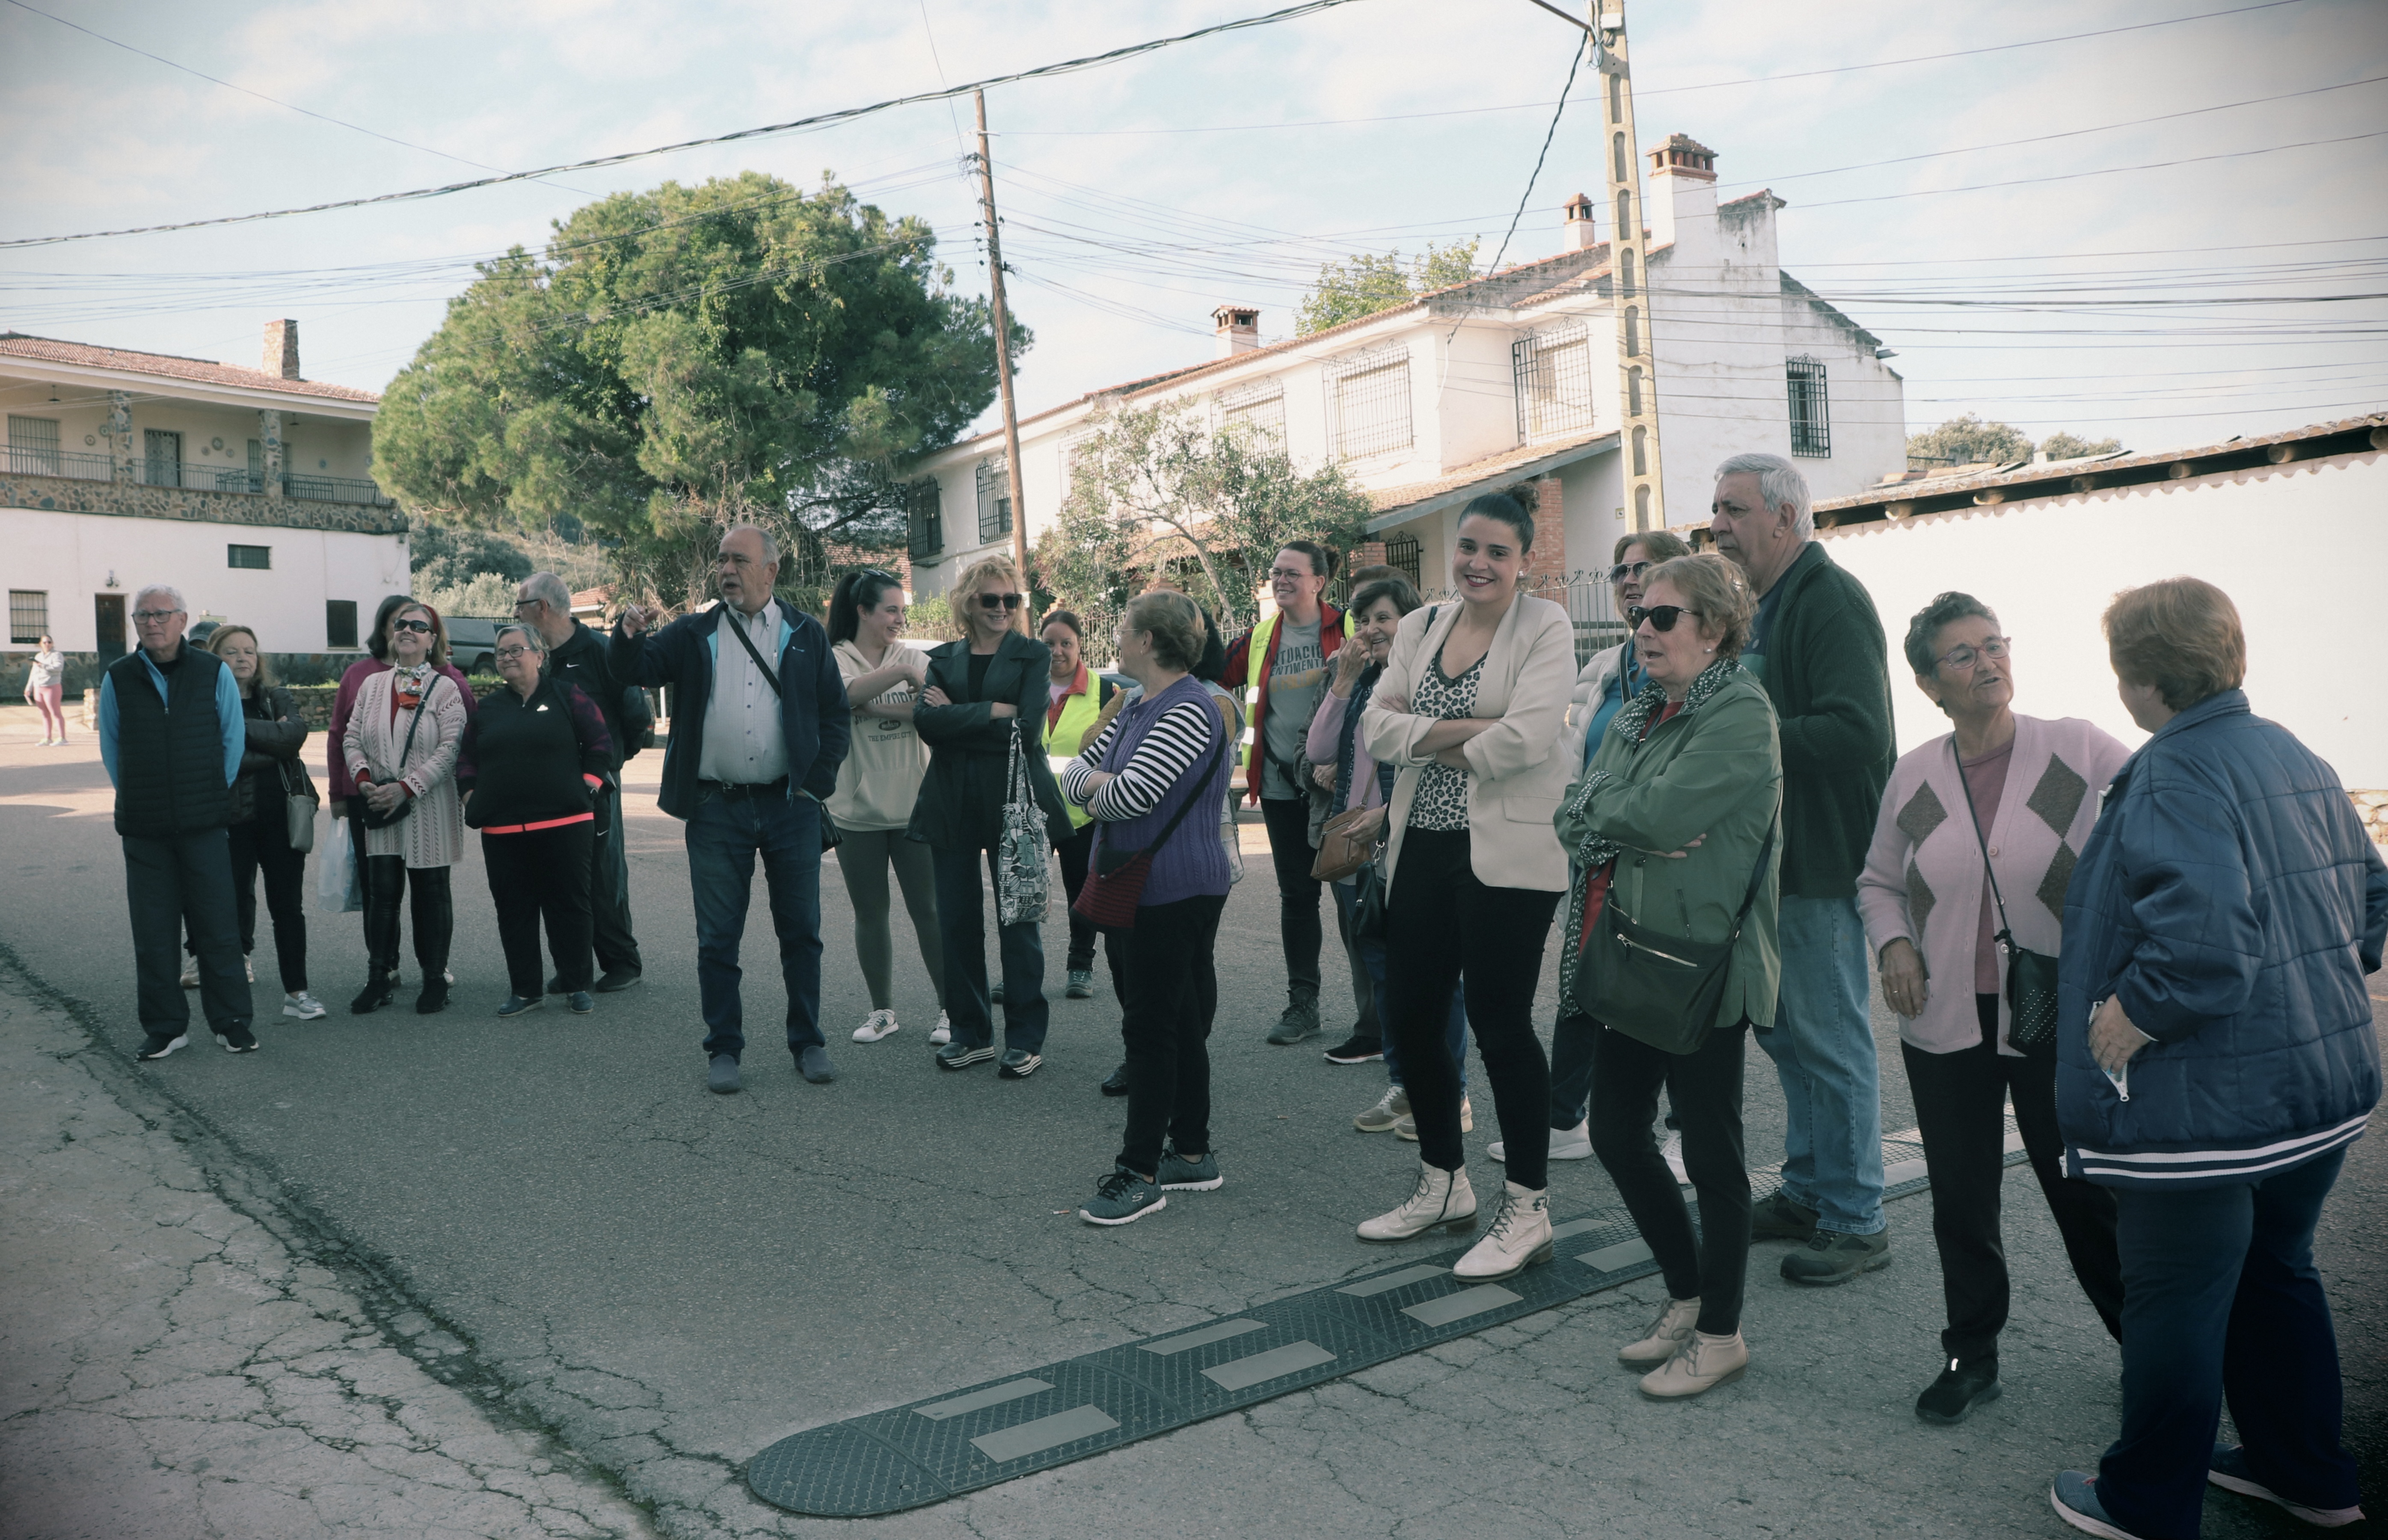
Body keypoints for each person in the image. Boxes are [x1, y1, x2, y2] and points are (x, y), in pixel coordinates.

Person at [2048, 578, 2383, 1540]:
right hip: (2318, 1095)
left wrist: (2134, 1016)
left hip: (2205, 1114)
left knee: (2175, 1305)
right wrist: (2307, 982)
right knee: (2278, 1273)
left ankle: (2148, 1502)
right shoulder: (2295, 750)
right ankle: (2306, 1473)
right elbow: (2371, 898)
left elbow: (2200, 944)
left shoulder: (2174, 769)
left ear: (2135, 675)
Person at [1857, 592, 2128, 1426]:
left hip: (2056, 1013)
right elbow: (1876, 881)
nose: (1988, 663)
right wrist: (1894, 945)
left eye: (1994, 644)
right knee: (1961, 1200)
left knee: (2084, 1191)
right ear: (1928, 683)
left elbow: (2157, 822)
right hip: (1946, 1020)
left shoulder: (2074, 749)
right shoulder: (1917, 772)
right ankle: (1969, 1355)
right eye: (1963, 655)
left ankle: (2151, 1348)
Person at [1560, 551, 1780, 1399]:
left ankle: (1721, 1333)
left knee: (1713, 1152)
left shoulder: (1739, 715)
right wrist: (1615, 817)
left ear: (1713, 631)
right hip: (1635, 947)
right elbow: (1575, 811)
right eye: (1640, 616)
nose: (1642, 629)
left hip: (1704, 962)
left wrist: (1615, 815)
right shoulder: (1642, 709)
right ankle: (1687, 1295)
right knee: (1617, 1132)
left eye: (1663, 617)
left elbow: (1653, 814)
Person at [1355, 492, 1575, 1283]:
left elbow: (1531, 740)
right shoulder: (1419, 627)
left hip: (1509, 856)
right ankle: (1444, 1183)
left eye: (1498, 553)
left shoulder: (1546, 625)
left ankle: (1528, 1208)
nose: (1479, 565)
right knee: (1412, 1017)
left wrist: (1424, 738)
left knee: (1500, 1022)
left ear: (1524, 560)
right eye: (1469, 549)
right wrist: (1468, 735)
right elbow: (1375, 727)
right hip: (1422, 845)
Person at [1709, 451, 1899, 1285]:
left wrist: (1743, 737)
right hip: (1770, 864)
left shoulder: (1831, 599)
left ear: (1786, 518)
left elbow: (1860, 732)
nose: (1718, 525)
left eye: (1734, 510)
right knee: (1789, 1041)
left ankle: (1856, 1219)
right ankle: (1807, 1190)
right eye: (1715, 509)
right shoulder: (1765, 603)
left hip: (1821, 862)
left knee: (1831, 1044)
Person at [610, 524, 850, 1095]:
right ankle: (724, 1047)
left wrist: (815, 786)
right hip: (716, 807)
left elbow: (834, 716)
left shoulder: (803, 633)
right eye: (721, 560)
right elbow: (633, 671)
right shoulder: (694, 633)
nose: (726, 570)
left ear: (770, 570)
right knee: (718, 938)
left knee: (802, 933)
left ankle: (808, 1041)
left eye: (738, 561)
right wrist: (625, 635)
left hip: (790, 806)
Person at [1063, 591, 1238, 1225]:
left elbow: (1125, 796)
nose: (1118, 636)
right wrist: (1099, 784)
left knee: (1150, 1028)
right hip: (1151, 884)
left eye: (1126, 627)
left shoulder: (1189, 709)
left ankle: (1140, 1172)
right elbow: (1077, 772)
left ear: (1148, 641)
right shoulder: (1141, 703)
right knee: (1180, 1021)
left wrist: (1098, 786)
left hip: (1174, 889)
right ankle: (1191, 1152)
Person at [1534, 528, 1694, 1170]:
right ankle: (1564, 1118)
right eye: (1620, 571)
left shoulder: (1693, 667)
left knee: (1665, 993)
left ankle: (1686, 1131)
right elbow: (1576, 752)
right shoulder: (1606, 664)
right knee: (1581, 983)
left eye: (1644, 568)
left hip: (1660, 857)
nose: (1629, 579)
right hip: (1597, 850)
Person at [1306, 575, 1472, 1137]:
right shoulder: (1361, 683)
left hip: (1413, 847)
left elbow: (1443, 765)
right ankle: (1406, 1087)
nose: (1371, 629)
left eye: (1383, 617)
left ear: (1413, 619)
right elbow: (1318, 751)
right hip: (1359, 853)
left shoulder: (1430, 681)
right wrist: (1342, 683)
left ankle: (1451, 1095)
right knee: (1389, 981)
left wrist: (1393, 818)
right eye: (1363, 620)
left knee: (1435, 978)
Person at [911, 556, 1072, 1080]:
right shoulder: (943, 658)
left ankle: (1025, 1039)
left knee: (1018, 920)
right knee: (956, 923)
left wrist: (960, 712)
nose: (1002, 609)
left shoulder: (1032, 655)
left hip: (1015, 800)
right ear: (968, 604)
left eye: (1011, 600)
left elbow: (1025, 729)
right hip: (950, 800)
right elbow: (926, 726)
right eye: (991, 600)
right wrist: (991, 710)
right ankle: (970, 1033)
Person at [100, 586, 256, 1059]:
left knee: (218, 928)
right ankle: (167, 1027)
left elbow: (232, 740)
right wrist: (141, 798)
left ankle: (232, 1023)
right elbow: (113, 749)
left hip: (204, 824)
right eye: (143, 615)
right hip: (145, 830)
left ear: (183, 620)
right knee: (153, 933)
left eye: (161, 615)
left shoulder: (212, 672)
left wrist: (205, 794)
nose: (152, 623)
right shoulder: (119, 677)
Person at [1222, 539, 1352, 1046]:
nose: (1281, 580)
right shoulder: (1258, 638)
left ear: (1319, 581)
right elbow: (1210, 677)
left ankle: (1375, 1015)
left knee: (1351, 897)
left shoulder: (1347, 629)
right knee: (1297, 897)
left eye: (1292, 573)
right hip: (1279, 787)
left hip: (1339, 790)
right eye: (1276, 572)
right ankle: (1303, 1005)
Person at [457, 622, 614, 1018]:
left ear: (540, 656)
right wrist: (471, 794)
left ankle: (576, 984)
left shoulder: (568, 697)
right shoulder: (488, 708)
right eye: (501, 654)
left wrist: (588, 788)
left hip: (566, 825)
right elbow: (467, 759)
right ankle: (525, 990)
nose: (507, 658)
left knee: (571, 906)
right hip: (503, 830)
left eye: (516, 650)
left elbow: (600, 744)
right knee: (514, 910)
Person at [328, 595, 478, 1003]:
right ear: (391, 637)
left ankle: (434, 980)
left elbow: (451, 748)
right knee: (382, 894)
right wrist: (363, 782)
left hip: (428, 804)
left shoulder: (446, 687)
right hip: (380, 804)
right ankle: (379, 977)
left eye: (418, 626)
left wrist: (407, 786)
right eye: (401, 626)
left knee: (431, 891)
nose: (408, 631)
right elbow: (352, 736)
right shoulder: (372, 686)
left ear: (433, 640)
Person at [825, 569, 945, 1045]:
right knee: (869, 913)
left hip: (916, 808)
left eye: (902, 611)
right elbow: (842, 696)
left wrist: (872, 707)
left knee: (929, 911)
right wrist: (899, 678)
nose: (899, 619)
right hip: (856, 812)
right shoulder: (833, 658)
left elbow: (932, 713)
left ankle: (949, 1010)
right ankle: (882, 1012)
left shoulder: (916, 655)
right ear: (863, 611)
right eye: (891, 610)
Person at [516, 572, 644, 993]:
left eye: (519, 605)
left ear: (542, 608)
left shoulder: (599, 652)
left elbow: (637, 716)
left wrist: (611, 764)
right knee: (560, 877)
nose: (515, 613)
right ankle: (574, 967)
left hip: (596, 784)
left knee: (603, 875)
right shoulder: (536, 657)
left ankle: (622, 962)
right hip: (550, 785)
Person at [207, 625, 322, 1021]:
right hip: (232, 821)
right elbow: (223, 758)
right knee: (233, 904)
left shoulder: (276, 697)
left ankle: (298, 993)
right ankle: (235, 990)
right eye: (231, 652)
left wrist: (239, 733)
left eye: (249, 651)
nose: (242, 658)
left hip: (282, 819)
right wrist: (275, 748)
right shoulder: (207, 701)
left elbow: (296, 735)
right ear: (214, 659)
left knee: (288, 908)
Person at [1041, 609, 1121, 1004]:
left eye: (1065, 644)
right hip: (1032, 813)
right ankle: (1022, 967)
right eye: (1049, 644)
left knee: (1080, 896)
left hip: (1080, 816)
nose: (1057, 651)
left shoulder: (1107, 694)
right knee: (1025, 895)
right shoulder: (1024, 688)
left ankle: (1080, 966)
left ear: (1079, 646)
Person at [26, 634, 67, 745]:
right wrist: (28, 688)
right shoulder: (38, 656)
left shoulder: (57, 655)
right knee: (44, 714)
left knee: (55, 713)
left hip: (52, 687)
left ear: (52, 644)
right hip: (38, 687)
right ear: (40, 644)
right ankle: (47, 737)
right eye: (45, 642)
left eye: (49, 642)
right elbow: (34, 673)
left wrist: (43, 666)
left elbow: (59, 668)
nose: (47, 644)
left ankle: (62, 738)